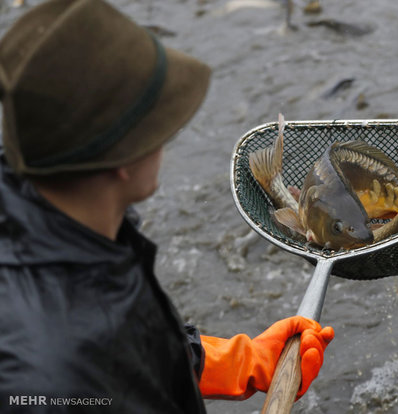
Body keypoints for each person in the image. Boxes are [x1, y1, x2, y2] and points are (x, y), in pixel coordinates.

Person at [0, 0, 334, 412]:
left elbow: (127, 352)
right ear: (123, 159)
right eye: (160, 126)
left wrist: (239, 362)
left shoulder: (66, 225)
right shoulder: (58, 376)